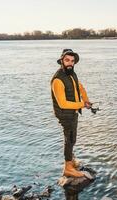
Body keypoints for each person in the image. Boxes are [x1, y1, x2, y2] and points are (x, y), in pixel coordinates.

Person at [51, 49, 92, 177]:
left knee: (72, 138)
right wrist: (82, 104)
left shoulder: (72, 74)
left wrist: (86, 100)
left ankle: (70, 160)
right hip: (64, 113)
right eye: (67, 60)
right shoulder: (57, 79)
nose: (70, 63)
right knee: (69, 139)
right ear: (62, 61)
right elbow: (62, 103)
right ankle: (68, 168)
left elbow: (80, 87)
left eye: (72, 61)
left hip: (72, 111)